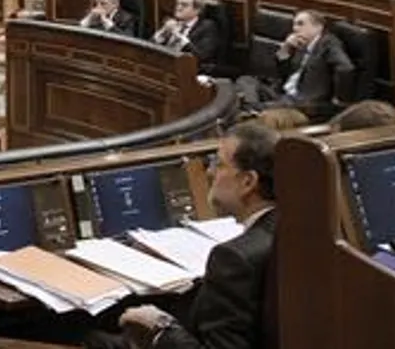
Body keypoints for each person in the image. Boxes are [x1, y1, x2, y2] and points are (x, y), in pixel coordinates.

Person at [114, 123, 279, 349]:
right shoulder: (305, 232)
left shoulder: (234, 258)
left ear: (248, 182)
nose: (210, 173)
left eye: (219, 165)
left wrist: (161, 329)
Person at [236, 10, 352, 120]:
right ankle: (253, 108)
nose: (295, 29)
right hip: (282, 94)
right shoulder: (301, 44)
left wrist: (339, 99)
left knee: (238, 102)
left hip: (303, 102)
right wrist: (286, 48)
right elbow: (283, 73)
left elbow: (346, 68)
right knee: (246, 80)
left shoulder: (328, 43)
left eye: (300, 24)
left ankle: (251, 109)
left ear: (318, 27)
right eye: (294, 25)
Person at [152, 0, 224, 73]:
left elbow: (201, 57)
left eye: (184, 5)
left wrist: (178, 36)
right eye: (177, 4)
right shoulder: (173, 23)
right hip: (166, 68)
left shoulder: (208, 27)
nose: (178, 8)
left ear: (197, 10)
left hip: (190, 72)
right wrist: (163, 33)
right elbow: (150, 49)